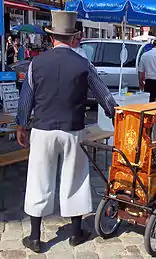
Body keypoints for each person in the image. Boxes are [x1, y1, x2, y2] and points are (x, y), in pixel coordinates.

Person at [16, 10, 117, 253]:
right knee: (75, 178)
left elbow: (25, 99)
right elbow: (105, 96)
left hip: (42, 129)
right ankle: (75, 233)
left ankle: (35, 237)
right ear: (74, 38)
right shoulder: (84, 64)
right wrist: (115, 113)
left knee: (39, 179)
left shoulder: (36, 63)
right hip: (73, 129)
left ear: (52, 38)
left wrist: (21, 126)